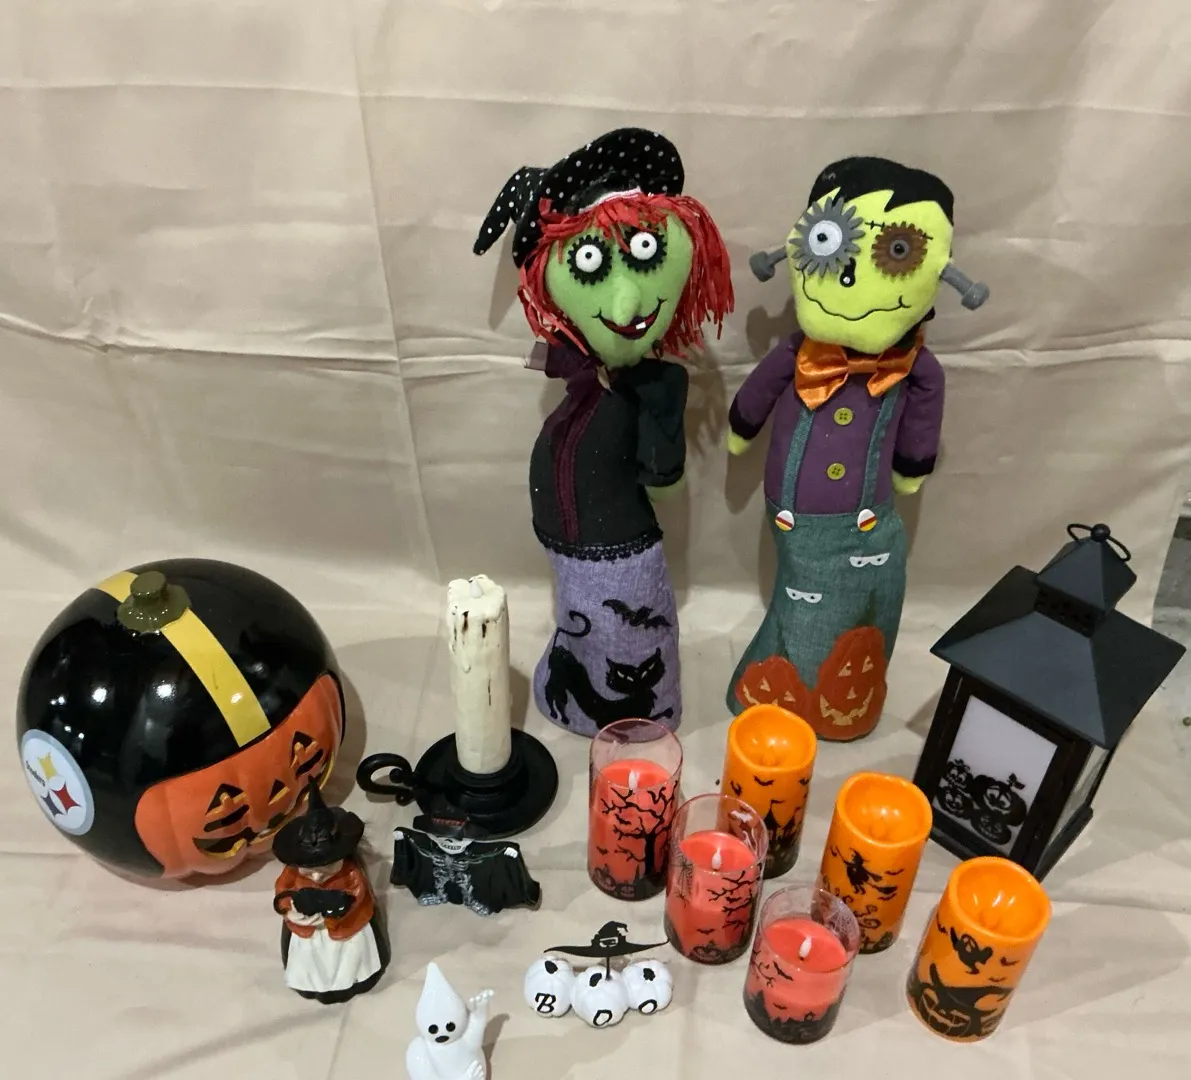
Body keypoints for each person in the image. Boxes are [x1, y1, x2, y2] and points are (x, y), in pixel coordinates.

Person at [474, 127, 734, 737]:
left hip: (617, 544)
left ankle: (642, 715)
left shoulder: (656, 384)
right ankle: (577, 695)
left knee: (627, 626)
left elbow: (662, 474)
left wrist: (660, 437)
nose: (623, 306)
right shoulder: (586, 370)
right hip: (568, 540)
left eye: (645, 255)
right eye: (589, 264)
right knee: (582, 621)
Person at [272, 779, 389, 1004]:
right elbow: (281, 894)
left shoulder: (350, 874)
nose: (317, 876)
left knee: (349, 954)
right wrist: (292, 908)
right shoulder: (292, 875)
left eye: (326, 869)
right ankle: (312, 985)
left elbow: (357, 895)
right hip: (308, 930)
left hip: (344, 927)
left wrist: (339, 906)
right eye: (310, 870)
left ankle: (352, 981)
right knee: (310, 957)